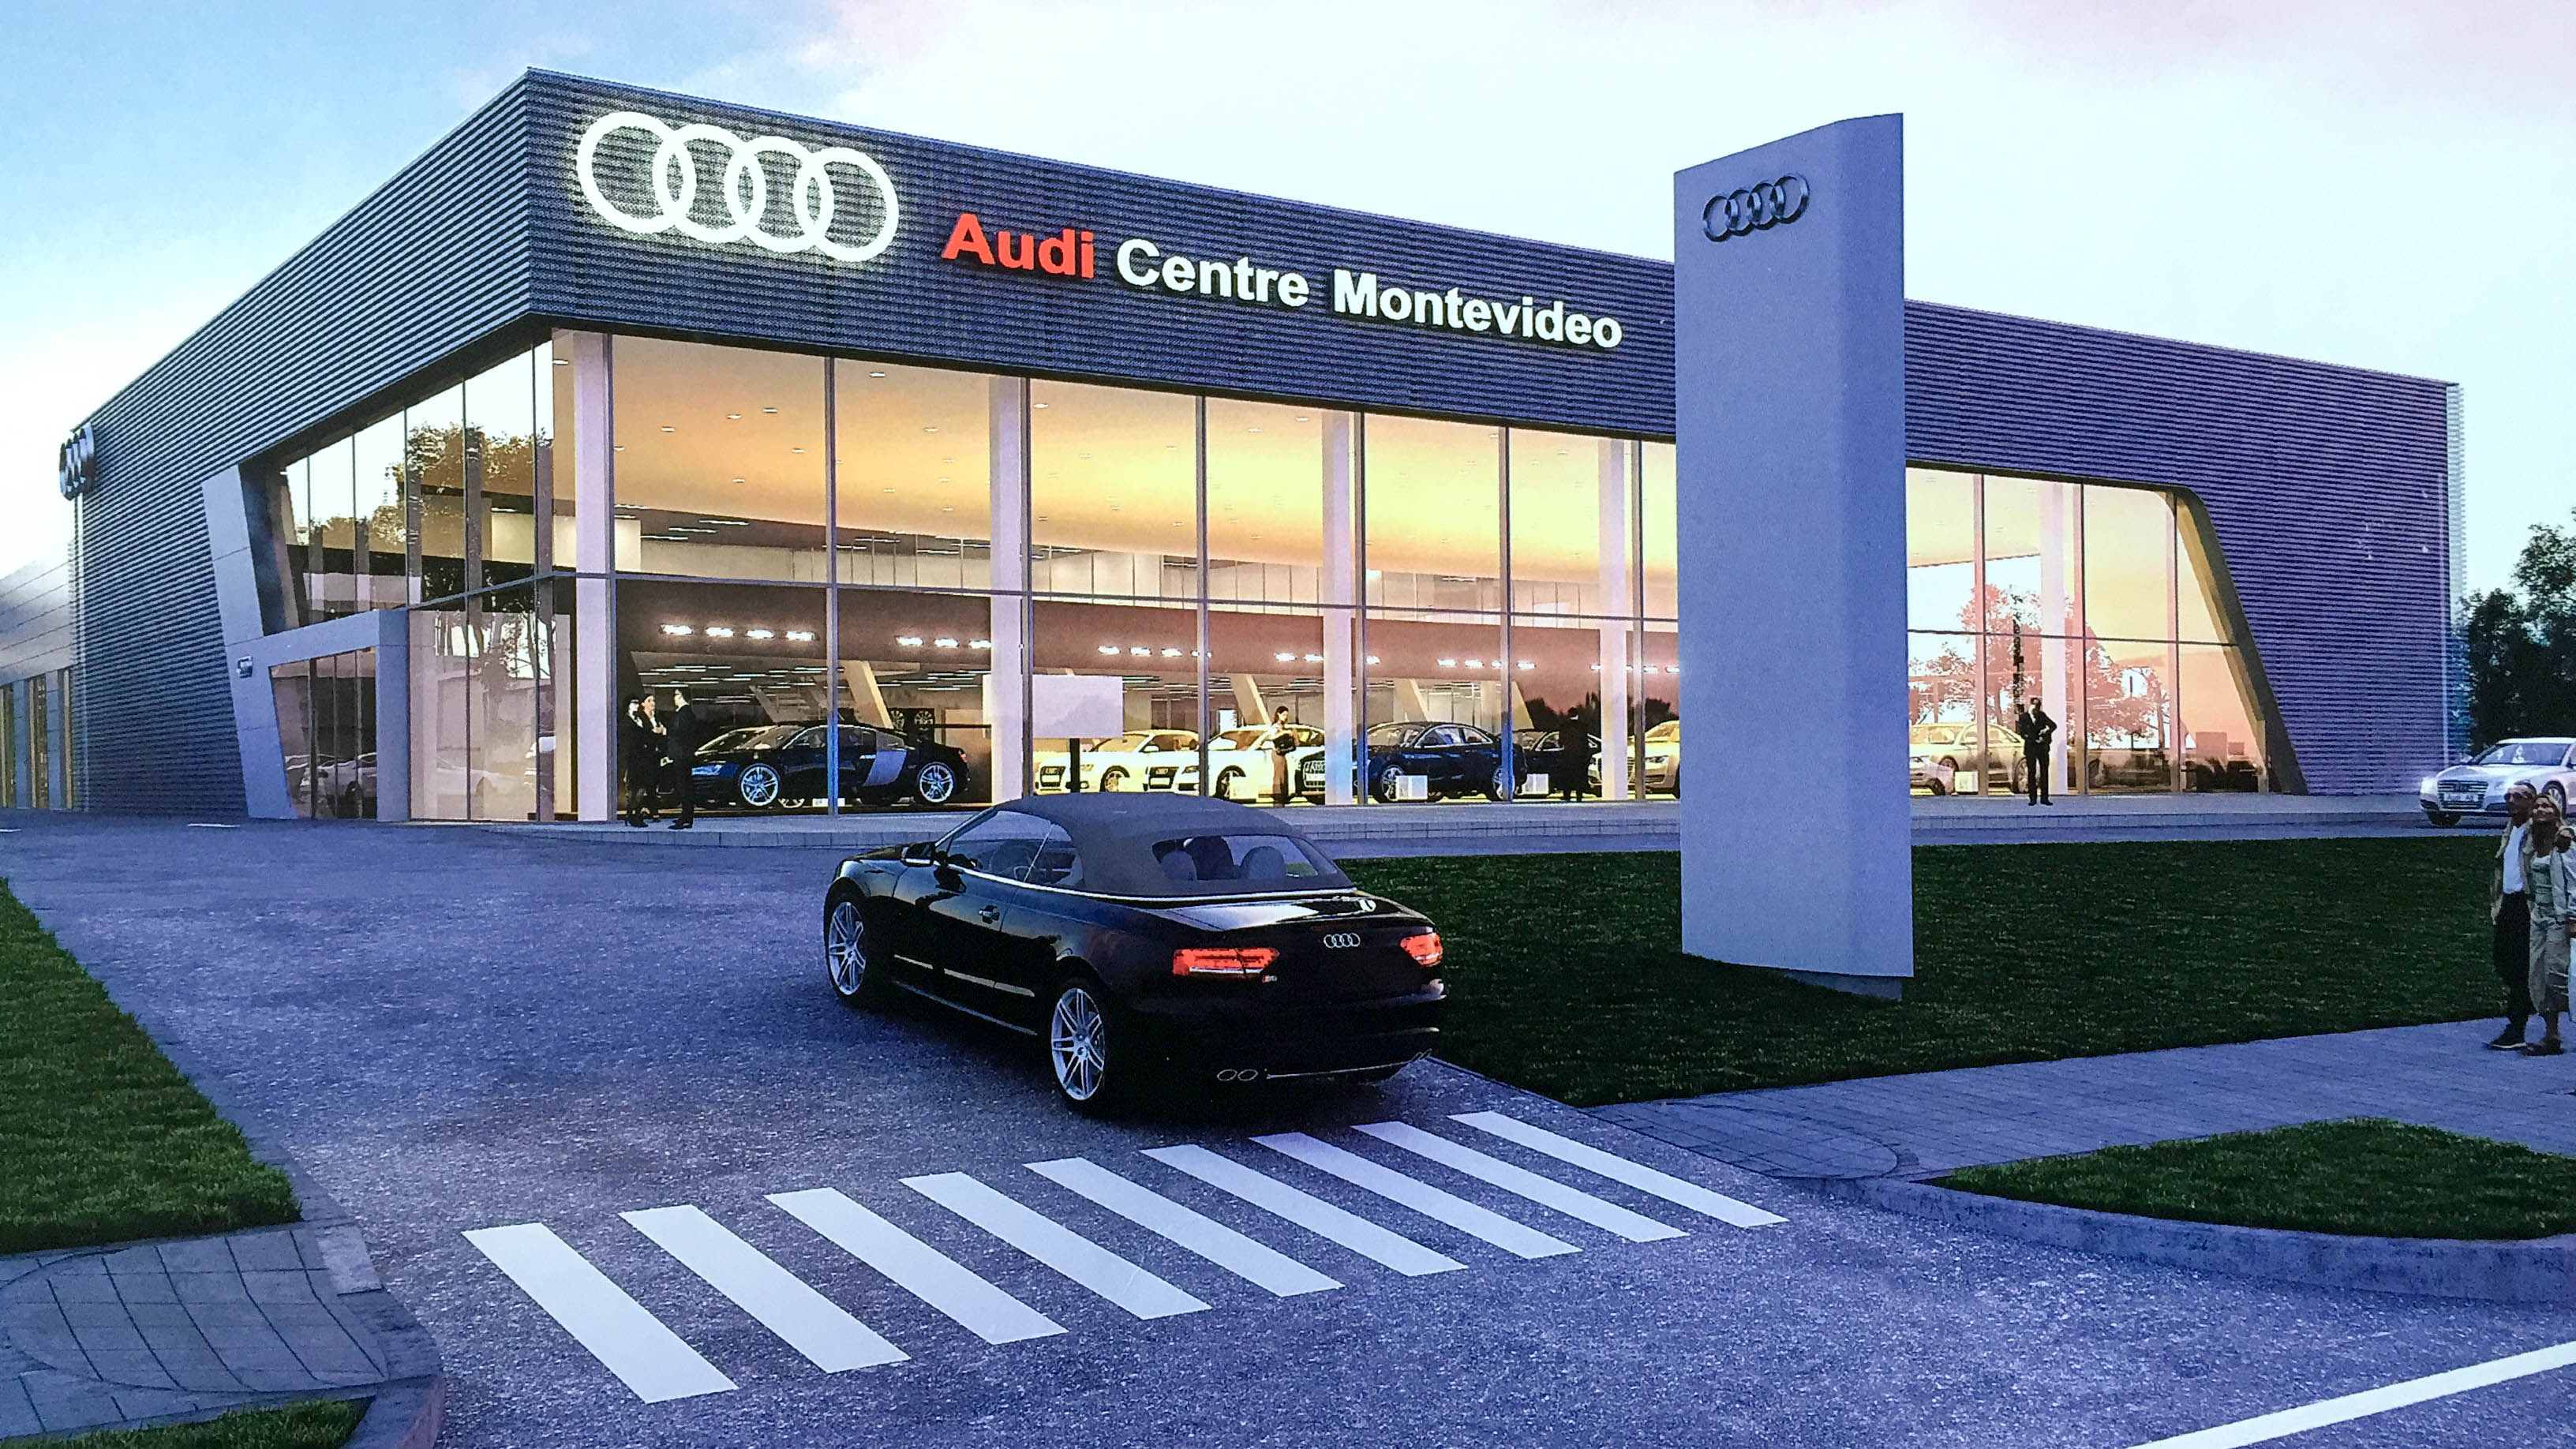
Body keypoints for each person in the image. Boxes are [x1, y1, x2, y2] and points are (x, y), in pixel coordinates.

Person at [2521, 795, 2576, 1057]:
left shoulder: (2564, 841)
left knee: (2559, 975)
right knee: (2538, 977)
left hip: (2560, 917)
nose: (2541, 810)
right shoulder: (2530, 840)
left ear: (2557, 811)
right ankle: (2551, 1035)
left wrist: (2573, 917)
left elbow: (2574, 881)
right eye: (2537, 806)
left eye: (2547, 806)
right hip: (2538, 916)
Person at [2487, 782, 2540, 1049]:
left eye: (2519, 797)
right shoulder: (2510, 831)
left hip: (2528, 907)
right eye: (2508, 796)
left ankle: (2516, 1026)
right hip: (2508, 903)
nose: (2511, 801)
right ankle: (2527, 1003)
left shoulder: (2539, 830)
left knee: (2520, 967)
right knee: (2502, 960)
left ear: (2532, 801)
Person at [662, 689, 708, 829]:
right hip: (683, 755)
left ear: (682, 696)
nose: (674, 698)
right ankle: (686, 816)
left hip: (682, 755)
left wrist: (665, 731)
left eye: (676, 695)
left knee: (684, 787)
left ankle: (686, 817)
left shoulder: (685, 714)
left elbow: (682, 733)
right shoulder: (684, 713)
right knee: (684, 786)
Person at [620, 695, 665, 826]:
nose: (635, 705)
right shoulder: (627, 721)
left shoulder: (638, 719)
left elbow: (645, 735)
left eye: (637, 703)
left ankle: (634, 813)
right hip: (634, 758)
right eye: (632, 703)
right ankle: (634, 814)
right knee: (635, 787)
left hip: (642, 758)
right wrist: (656, 735)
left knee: (640, 787)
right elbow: (638, 736)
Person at [2016, 700, 2057, 805]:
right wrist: (2034, 739)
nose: (2037, 709)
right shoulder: (2024, 717)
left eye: (2038, 706)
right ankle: (2033, 798)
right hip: (2031, 748)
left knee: (2044, 773)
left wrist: (2045, 732)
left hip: (2042, 748)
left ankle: (2044, 798)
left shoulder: (2042, 715)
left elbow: (2053, 725)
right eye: (2035, 706)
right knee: (2031, 772)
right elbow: (2022, 733)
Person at [1557, 717, 1594, 802]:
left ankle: (1567, 795)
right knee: (1580, 776)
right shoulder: (1583, 726)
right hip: (1580, 757)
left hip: (1568, 756)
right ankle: (1579, 795)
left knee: (1568, 776)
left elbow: (1561, 742)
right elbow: (1585, 742)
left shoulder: (1564, 726)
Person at [1265, 706, 1296, 807]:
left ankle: (1284, 793)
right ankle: (1278, 794)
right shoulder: (1276, 727)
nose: (1285, 717)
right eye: (1283, 715)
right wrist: (1284, 733)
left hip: (1282, 753)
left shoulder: (1283, 726)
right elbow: (1272, 736)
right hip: (1277, 752)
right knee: (1279, 774)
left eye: (1287, 715)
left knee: (1284, 773)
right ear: (1278, 714)